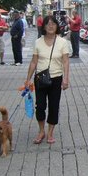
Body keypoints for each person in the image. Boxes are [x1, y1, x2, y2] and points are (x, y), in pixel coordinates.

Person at [24, 15, 70, 144]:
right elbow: (34, 62)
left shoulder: (62, 42)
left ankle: (50, 132)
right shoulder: (38, 42)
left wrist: (66, 79)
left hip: (56, 78)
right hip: (40, 78)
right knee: (40, 106)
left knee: (54, 106)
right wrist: (27, 79)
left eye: (53, 24)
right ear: (43, 26)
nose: (50, 26)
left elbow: (66, 62)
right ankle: (41, 131)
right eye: (48, 24)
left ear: (57, 27)